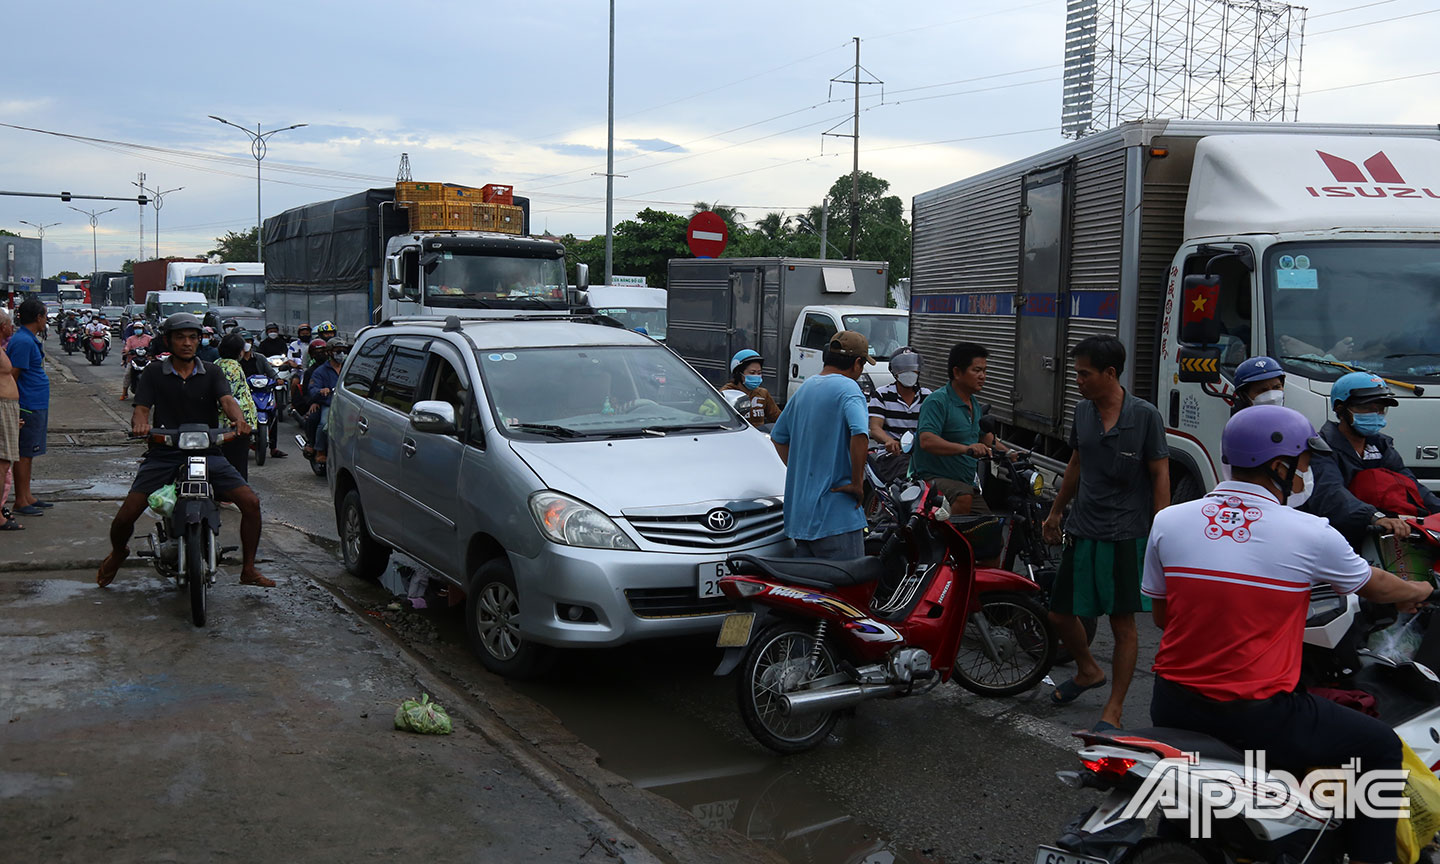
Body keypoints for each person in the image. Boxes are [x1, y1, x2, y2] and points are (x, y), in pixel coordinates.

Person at [1143, 405, 1430, 864]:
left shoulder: (1169, 521)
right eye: (1302, 464)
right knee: (1378, 745)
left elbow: (1163, 617)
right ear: (1279, 467)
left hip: (1172, 700)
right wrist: (1419, 588)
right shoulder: (1309, 531)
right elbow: (1374, 583)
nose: (1304, 474)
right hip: (1254, 713)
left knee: (1187, 800)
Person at [1042, 335, 1169, 731]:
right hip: (1084, 526)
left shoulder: (1144, 415)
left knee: (1122, 624)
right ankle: (1087, 670)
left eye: (1085, 373)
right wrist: (1056, 511)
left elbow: (1160, 471)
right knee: (1060, 613)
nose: (1078, 380)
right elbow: (1076, 463)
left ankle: (1113, 709)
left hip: (1125, 533)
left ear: (1110, 374)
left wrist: (1161, 529)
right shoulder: (1082, 412)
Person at [96, 312, 272, 589]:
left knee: (250, 502)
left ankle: (248, 569)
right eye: (180, 337)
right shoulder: (154, 372)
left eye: (192, 337)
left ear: (200, 341)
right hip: (164, 452)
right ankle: (119, 552)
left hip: (207, 453)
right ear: (168, 341)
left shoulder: (212, 371)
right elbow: (141, 408)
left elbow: (227, 400)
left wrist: (239, 420)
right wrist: (140, 424)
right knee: (126, 516)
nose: (187, 343)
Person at [1305, 371, 1440, 546]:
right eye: (1367, 407)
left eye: (1380, 408)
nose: (1375, 413)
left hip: (1381, 537)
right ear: (1340, 408)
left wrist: (1437, 510)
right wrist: (1374, 517)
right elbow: (1330, 494)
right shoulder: (1322, 448)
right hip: (1334, 538)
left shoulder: (1381, 445)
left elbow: (1411, 486)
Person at [769, 331, 872, 559]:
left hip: (800, 518)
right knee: (847, 590)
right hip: (836, 516)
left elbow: (778, 437)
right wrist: (857, 483)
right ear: (857, 363)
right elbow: (860, 433)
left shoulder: (805, 388)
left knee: (810, 592)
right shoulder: (850, 389)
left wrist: (805, 472)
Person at [910, 342, 1005, 514]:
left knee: (989, 531)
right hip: (933, 479)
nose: (983, 376)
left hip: (965, 483)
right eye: (976, 370)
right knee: (963, 497)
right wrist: (966, 449)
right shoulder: (938, 401)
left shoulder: (973, 403)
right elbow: (926, 440)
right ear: (957, 372)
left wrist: (1011, 454)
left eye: (984, 371)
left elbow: (984, 436)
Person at [6, 298, 52, 519]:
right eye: (44, 315)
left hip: (36, 403)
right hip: (28, 404)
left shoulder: (28, 339)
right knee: (24, 453)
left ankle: (28, 495)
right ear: (37, 317)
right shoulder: (23, 342)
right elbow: (13, 376)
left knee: (30, 452)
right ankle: (21, 500)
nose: (46, 320)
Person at [867, 346, 931, 487]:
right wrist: (889, 441)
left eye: (913, 367)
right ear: (894, 371)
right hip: (892, 456)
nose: (909, 372)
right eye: (903, 367)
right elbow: (875, 428)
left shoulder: (928, 396)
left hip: (922, 456)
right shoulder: (882, 394)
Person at [215, 333, 258, 480]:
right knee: (236, 465)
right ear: (239, 351)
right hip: (233, 425)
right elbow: (227, 398)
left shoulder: (218, 363)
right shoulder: (232, 368)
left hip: (228, 424)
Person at [239, 335, 286, 459]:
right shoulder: (236, 360)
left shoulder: (260, 358)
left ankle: (273, 448)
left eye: (248, 341)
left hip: (261, 391)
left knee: (272, 413)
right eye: (244, 342)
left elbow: (270, 371)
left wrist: (278, 379)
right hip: (244, 392)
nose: (246, 344)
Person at [305, 339, 346, 467]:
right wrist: (321, 391)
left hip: (347, 405)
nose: (341, 354)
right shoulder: (320, 371)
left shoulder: (348, 368)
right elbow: (312, 389)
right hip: (330, 405)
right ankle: (319, 451)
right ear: (329, 352)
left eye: (344, 351)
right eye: (338, 351)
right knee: (324, 425)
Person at [720, 349, 780, 428]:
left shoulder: (762, 394)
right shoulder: (726, 393)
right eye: (752, 373)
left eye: (759, 373)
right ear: (739, 373)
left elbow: (778, 419)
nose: (756, 376)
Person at [0, 310, 21, 530]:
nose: (11, 327)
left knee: (5, 463)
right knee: (3, 461)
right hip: (2, 406)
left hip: (7, 407)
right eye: (8, 324)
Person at [120, 322, 153, 401]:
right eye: (135, 328)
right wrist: (126, 351)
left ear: (143, 329)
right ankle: (124, 393)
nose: (137, 330)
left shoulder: (149, 338)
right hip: (133, 359)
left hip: (146, 359)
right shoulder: (130, 339)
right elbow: (127, 347)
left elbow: (152, 346)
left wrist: (151, 353)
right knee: (127, 374)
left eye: (139, 328)